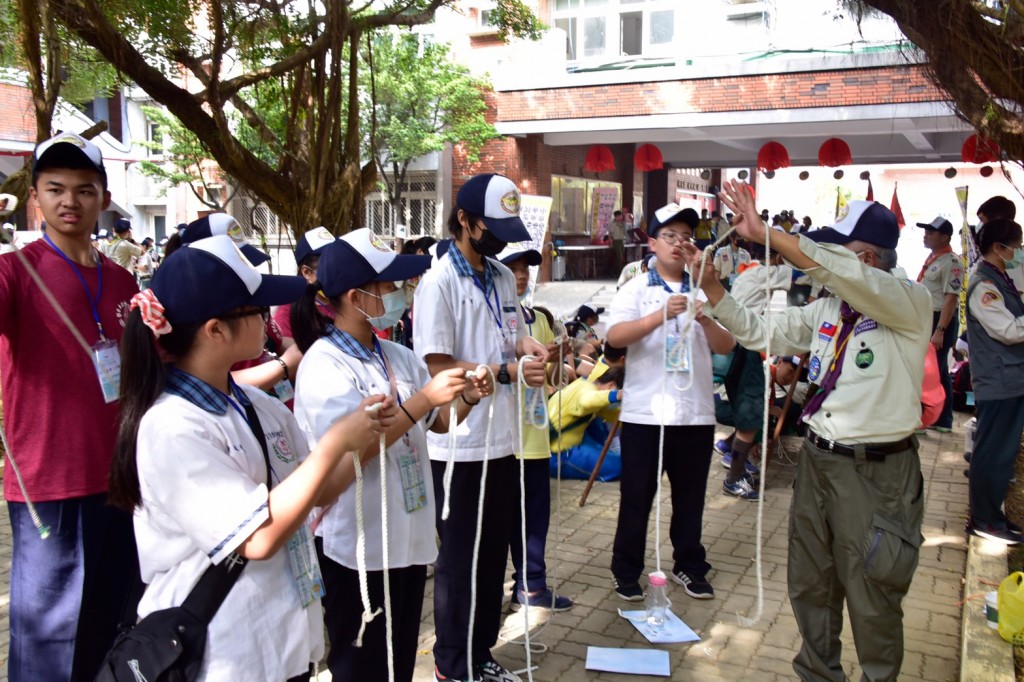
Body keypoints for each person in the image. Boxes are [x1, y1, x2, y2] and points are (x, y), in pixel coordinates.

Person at [110, 234, 396, 679]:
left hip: (283, 640)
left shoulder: (253, 404)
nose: (268, 321)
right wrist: (338, 441)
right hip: (225, 653)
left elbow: (317, 492)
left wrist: (360, 438)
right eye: (256, 311)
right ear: (215, 329)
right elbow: (257, 538)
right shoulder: (171, 428)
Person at [695, 186, 929, 682]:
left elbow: (834, 269)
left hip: (876, 474)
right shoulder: (831, 311)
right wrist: (715, 291)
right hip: (820, 462)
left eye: (834, 250)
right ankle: (818, 675)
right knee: (811, 584)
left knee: (872, 592)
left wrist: (770, 236)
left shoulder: (910, 303)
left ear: (865, 258)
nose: (816, 263)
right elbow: (762, 333)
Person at [291, 229, 487, 681]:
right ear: (353, 295)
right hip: (357, 546)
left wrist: (468, 398)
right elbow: (348, 454)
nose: (399, 293)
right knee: (360, 662)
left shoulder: (397, 355)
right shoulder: (324, 365)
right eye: (388, 285)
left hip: (408, 535)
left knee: (398, 659)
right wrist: (422, 400)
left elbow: (437, 425)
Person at [0, 132, 141, 681]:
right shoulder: (15, 271)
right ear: (35, 196)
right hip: (48, 486)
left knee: (113, 624)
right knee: (46, 638)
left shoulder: (124, 281)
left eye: (85, 190)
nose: (70, 201)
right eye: (55, 188)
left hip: (121, 482)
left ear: (104, 199)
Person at [412, 173, 549, 682]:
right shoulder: (438, 282)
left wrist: (526, 348)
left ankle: (482, 653)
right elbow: (440, 370)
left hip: (504, 439)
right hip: (459, 444)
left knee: (492, 556)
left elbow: (508, 336)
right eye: (489, 228)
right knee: (459, 563)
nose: (498, 240)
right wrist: (505, 371)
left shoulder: (497, 274)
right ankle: (452, 664)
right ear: (464, 221)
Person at [605, 203, 736, 602]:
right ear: (652, 242)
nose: (679, 244)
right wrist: (658, 316)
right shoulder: (635, 288)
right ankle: (626, 569)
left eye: (686, 238)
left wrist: (704, 319)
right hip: (646, 413)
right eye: (670, 236)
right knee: (636, 498)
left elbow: (728, 345)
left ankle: (689, 565)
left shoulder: (705, 289)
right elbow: (615, 337)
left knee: (691, 498)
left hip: (695, 414)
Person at [498, 246, 574, 613]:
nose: (522, 275)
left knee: (535, 518)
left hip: (536, 436)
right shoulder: (494, 320)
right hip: (504, 439)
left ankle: (531, 585)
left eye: (526, 268)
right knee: (508, 518)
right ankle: (511, 588)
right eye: (512, 268)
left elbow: (552, 381)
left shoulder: (537, 318)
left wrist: (560, 358)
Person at [965, 218, 1024, 543]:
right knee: (992, 453)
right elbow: (1008, 330)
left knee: (1001, 452)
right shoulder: (984, 285)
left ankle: (993, 516)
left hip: (1009, 380)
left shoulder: (999, 278)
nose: (1018, 252)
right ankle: (984, 519)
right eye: (1015, 246)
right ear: (999, 248)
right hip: (998, 381)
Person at [916, 216, 962, 433]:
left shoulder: (952, 262)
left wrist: (940, 330)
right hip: (927, 317)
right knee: (936, 370)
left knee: (933, 370)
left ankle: (933, 417)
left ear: (945, 237)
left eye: (931, 232)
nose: (926, 235)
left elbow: (951, 299)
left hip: (940, 320)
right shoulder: (933, 258)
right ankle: (941, 419)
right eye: (926, 231)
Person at [274, 225, 338, 348]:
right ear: (306, 272)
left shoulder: (345, 300)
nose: (336, 272)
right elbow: (291, 355)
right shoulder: (289, 310)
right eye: (328, 266)